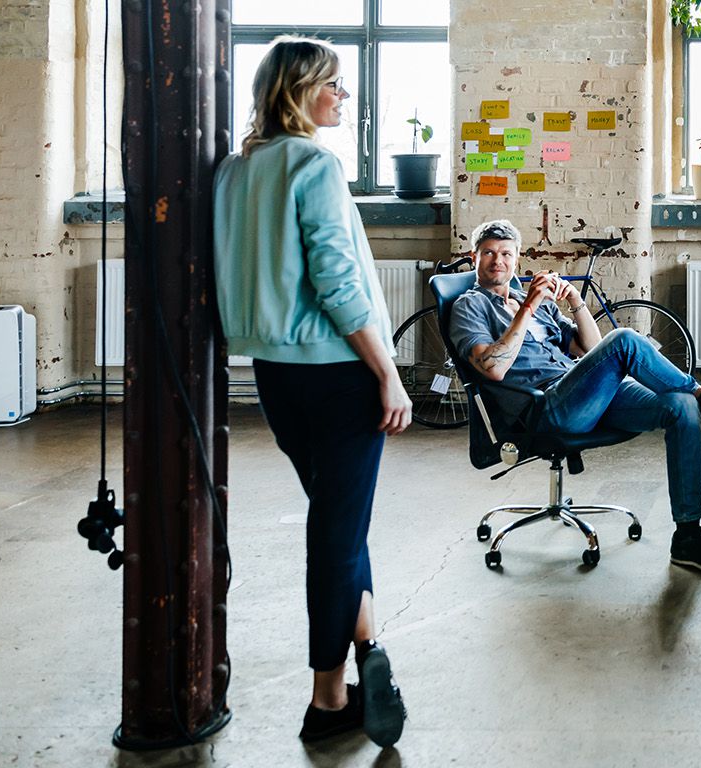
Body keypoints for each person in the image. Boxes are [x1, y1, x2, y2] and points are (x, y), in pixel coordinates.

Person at [212, 37, 408, 746]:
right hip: (338, 376)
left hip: (275, 378)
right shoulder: (313, 165)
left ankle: (369, 649)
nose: (343, 98)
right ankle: (329, 702)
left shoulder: (235, 171)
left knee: (339, 526)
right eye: (333, 85)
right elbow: (337, 282)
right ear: (298, 90)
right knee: (334, 538)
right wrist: (386, 370)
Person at [449, 219, 701, 576]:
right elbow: (492, 368)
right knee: (626, 338)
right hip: (546, 409)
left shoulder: (529, 298)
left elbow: (593, 349)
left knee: (680, 405)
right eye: (488, 253)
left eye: (506, 254)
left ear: (517, 260)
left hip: (584, 393)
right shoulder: (470, 306)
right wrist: (527, 310)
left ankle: (688, 534)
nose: (497, 261)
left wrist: (577, 303)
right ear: (473, 257)